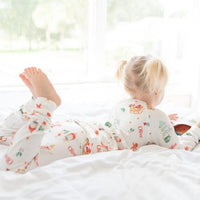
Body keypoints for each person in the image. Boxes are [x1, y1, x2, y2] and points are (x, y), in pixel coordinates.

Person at [0, 55, 200, 173]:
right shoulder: (157, 117)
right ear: (157, 90)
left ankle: (34, 105)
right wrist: (196, 129)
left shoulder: (121, 105)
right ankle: (45, 105)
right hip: (81, 143)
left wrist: (164, 125)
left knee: (4, 136)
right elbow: (180, 148)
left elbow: (142, 128)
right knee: (15, 165)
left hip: (76, 128)